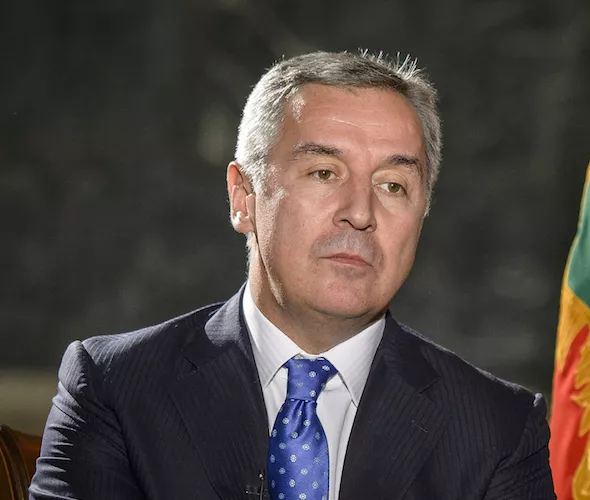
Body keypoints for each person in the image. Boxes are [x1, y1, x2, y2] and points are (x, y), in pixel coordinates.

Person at [29, 51, 556, 500]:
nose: (361, 212)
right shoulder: (115, 389)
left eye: (393, 185)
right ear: (243, 197)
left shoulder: (500, 430)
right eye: (324, 173)